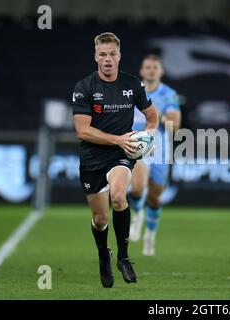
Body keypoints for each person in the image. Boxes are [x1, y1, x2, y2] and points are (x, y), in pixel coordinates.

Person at [71, 32, 159, 287]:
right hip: (92, 158)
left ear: (119, 56)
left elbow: (152, 118)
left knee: (119, 196)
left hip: (122, 156)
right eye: (103, 54)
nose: (107, 59)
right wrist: (118, 139)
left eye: (112, 54)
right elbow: (83, 131)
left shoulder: (133, 85)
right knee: (100, 220)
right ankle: (103, 255)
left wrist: (148, 138)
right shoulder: (84, 88)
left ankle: (123, 257)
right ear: (95, 56)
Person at [128, 54, 181, 256]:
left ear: (161, 71)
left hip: (160, 146)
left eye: (155, 67)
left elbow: (175, 126)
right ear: (142, 71)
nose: (151, 70)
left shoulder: (169, 95)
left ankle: (150, 235)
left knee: (155, 197)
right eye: (147, 67)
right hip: (137, 142)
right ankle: (137, 215)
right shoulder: (132, 91)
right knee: (137, 187)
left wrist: (158, 115)